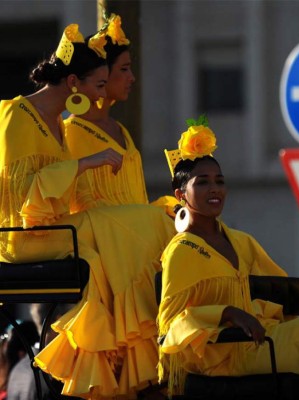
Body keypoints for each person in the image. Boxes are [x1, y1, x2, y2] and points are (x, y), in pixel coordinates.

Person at [0, 24, 174, 398]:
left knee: (114, 243)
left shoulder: (56, 124)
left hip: (59, 232)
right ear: (74, 81)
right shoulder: (19, 114)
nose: (101, 92)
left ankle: (120, 356)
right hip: (25, 238)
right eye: (98, 84)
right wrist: (84, 164)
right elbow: (23, 199)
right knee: (120, 223)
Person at [157, 116, 299, 399]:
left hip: (260, 340)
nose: (214, 189)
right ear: (181, 195)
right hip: (222, 356)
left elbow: (283, 288)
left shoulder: (240, 241)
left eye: (219, 181)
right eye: (202, 183)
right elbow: (168, 327)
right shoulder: (181, 250)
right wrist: (226, 313)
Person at [64, 12, 177, 216]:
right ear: (102, 72)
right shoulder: (70, 134)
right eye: (124, 69)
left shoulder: (120, 129)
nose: (132, 78)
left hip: (138, 238)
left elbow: (134, 201)